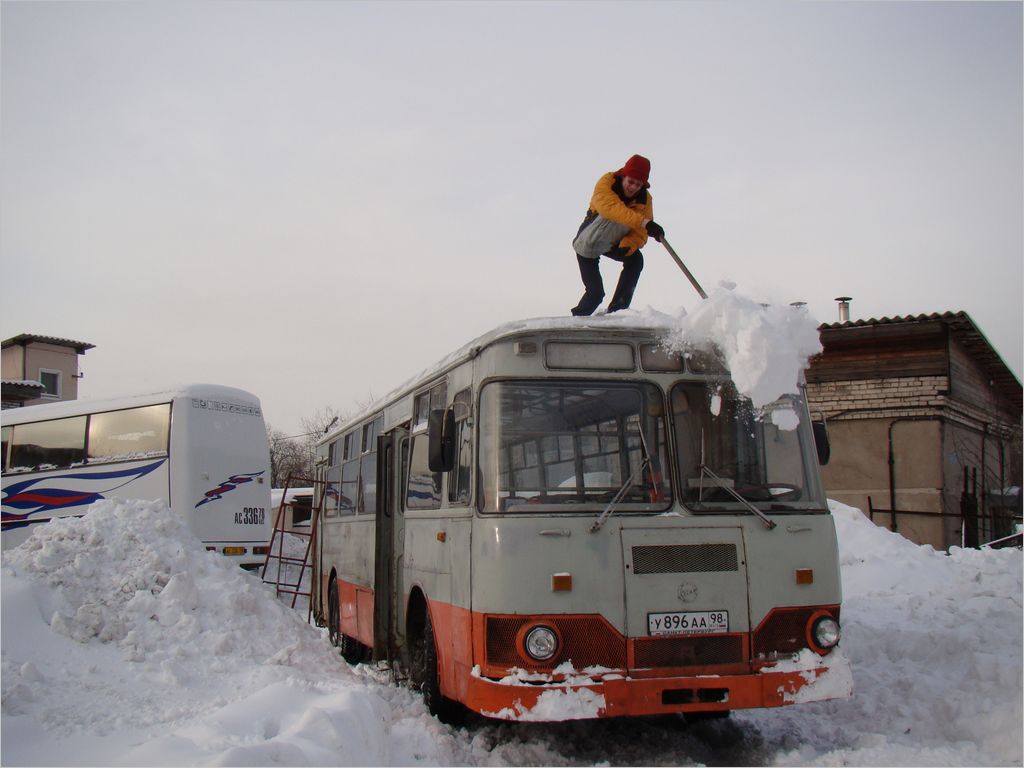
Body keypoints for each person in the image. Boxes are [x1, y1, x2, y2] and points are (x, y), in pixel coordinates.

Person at [571, 154, 665, 316]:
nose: (633, 187)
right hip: (588, 243)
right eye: (630, 182)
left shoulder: (645, 200)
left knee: (636, 260)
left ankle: (618, 310)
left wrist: (629, 244)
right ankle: (576, 320)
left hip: (612, 244)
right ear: (623, 176)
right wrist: (644, 222)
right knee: (596, 295)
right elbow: (609, 209)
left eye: (638, 184)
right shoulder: (607, 182)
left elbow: (640, 232)